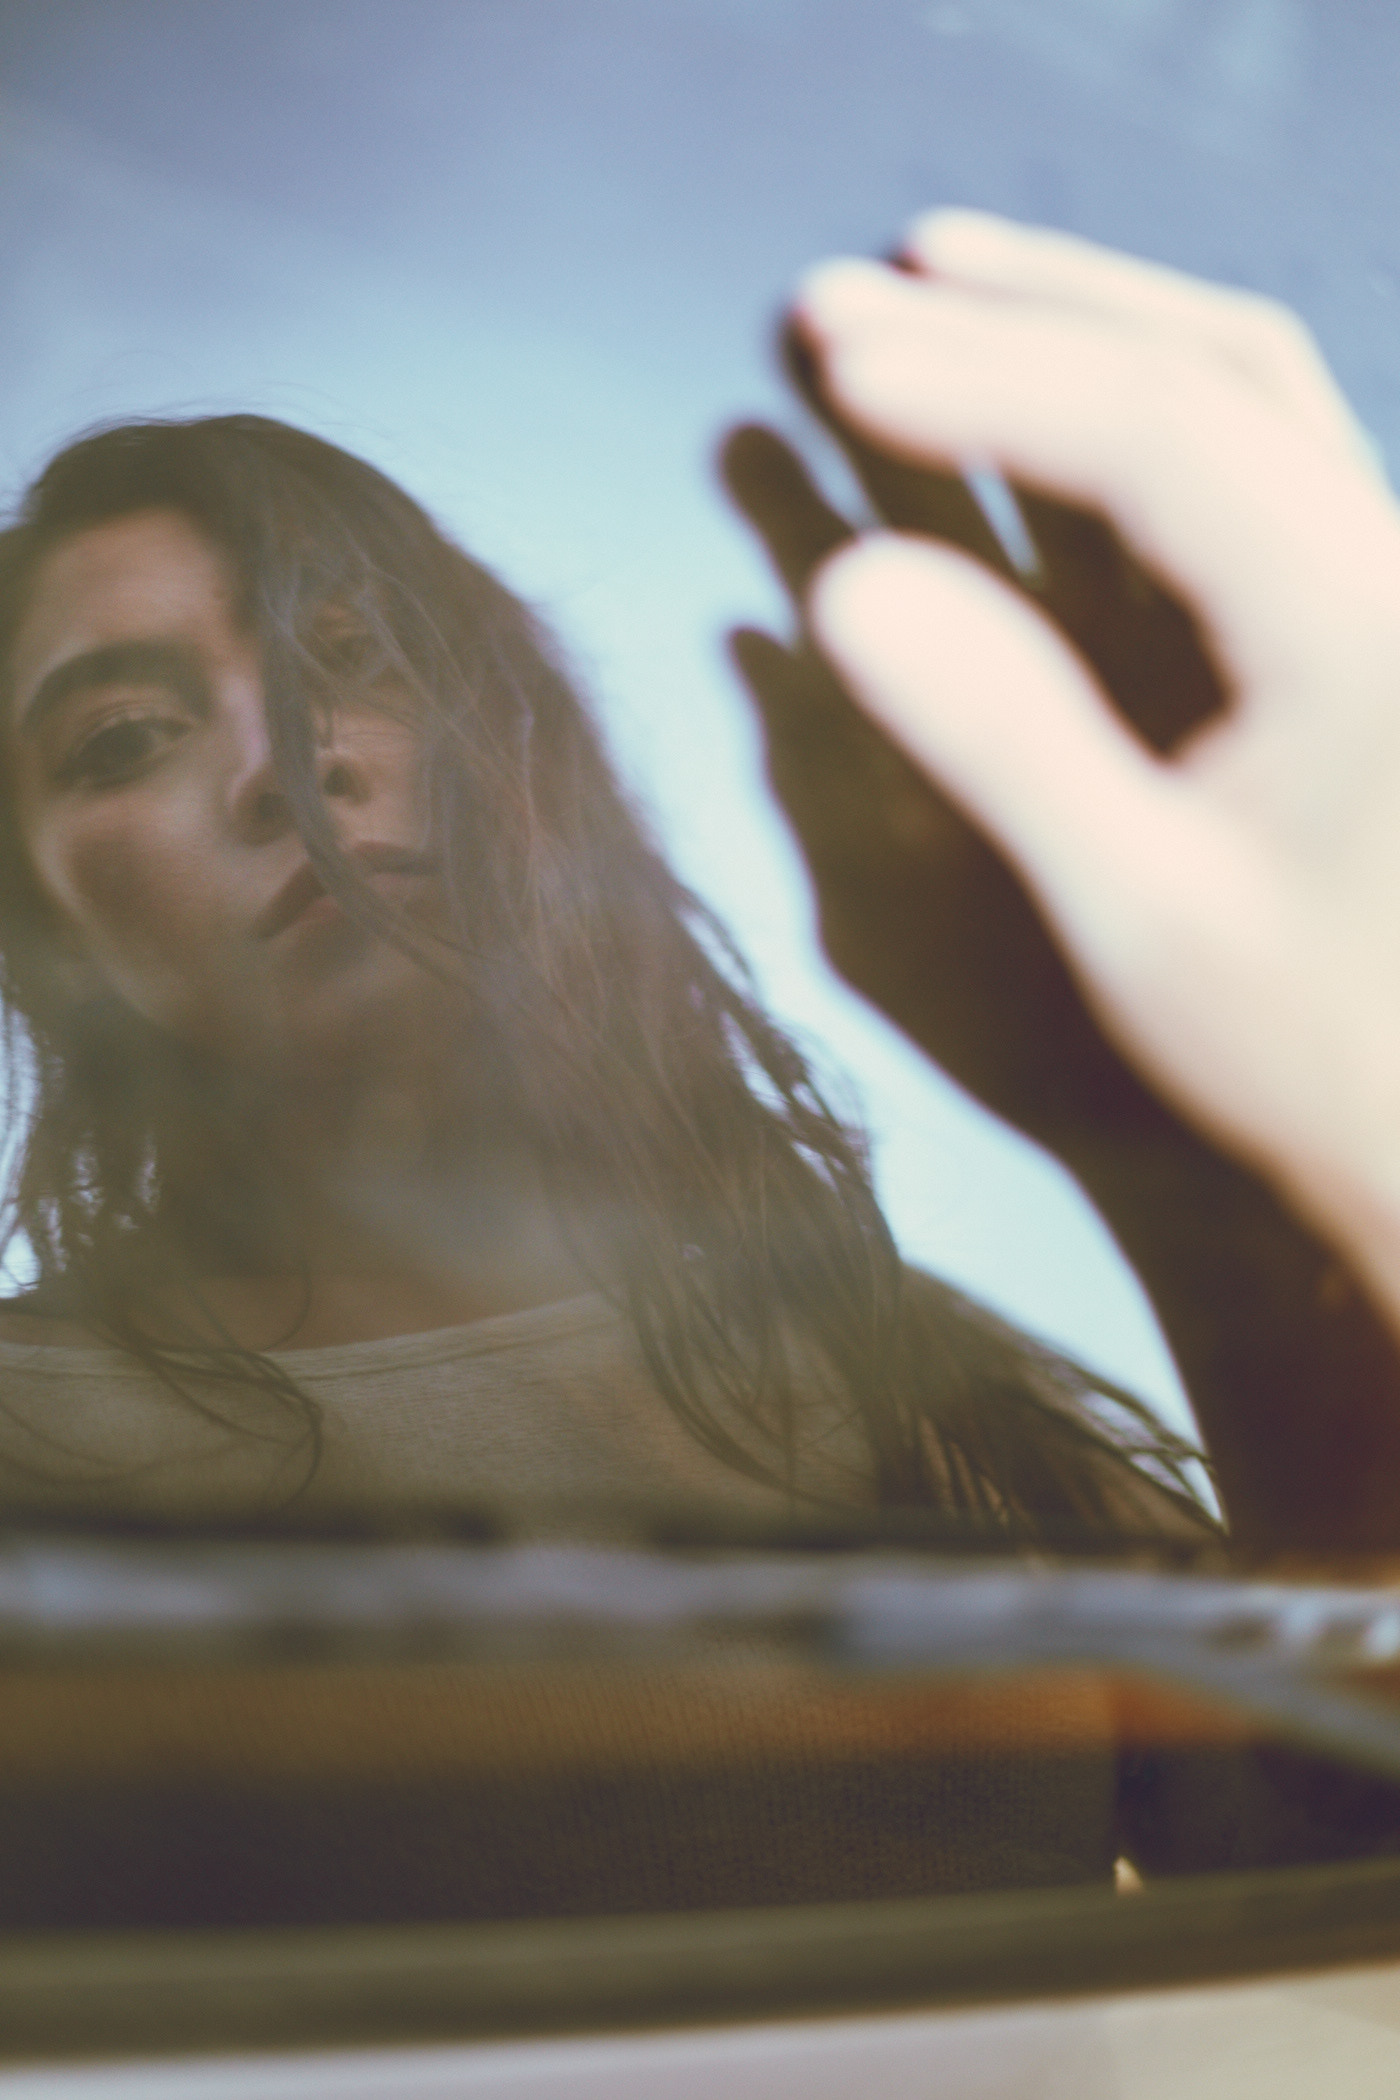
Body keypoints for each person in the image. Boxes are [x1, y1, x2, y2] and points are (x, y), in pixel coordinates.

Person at [0, 218, 1396, 1928]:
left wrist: (1173, 1160)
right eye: (125, 739)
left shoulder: (928, 1388)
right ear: (40, 926)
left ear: (510, 736)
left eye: (351, 659)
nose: (282, 767)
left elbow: (1343, 1893)